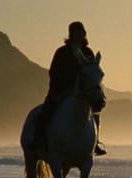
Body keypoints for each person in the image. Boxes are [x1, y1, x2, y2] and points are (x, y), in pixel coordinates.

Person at [33, 21, 107, 156]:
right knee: (46, 111)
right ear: (71, 34)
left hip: (82, 92)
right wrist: (64, 88)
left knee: (95, 113)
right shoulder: (62, 52)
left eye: (81, 33)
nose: (79, 35)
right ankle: (39, 141)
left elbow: (91, 72)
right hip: (61, 90)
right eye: (76, 33)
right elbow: (54, 72)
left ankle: (95, 143)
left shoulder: (88, 52)